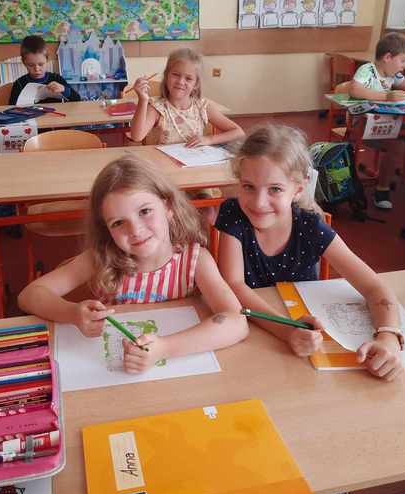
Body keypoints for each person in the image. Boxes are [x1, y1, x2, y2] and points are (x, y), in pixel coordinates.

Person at [215, 123, 405, 494]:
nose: (258, 202)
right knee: (240, 420)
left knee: (320, 419)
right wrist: (286, 332)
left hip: (307, 350)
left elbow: (376, 288)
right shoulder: (232, 215)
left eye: (275, 189)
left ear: (299, 187)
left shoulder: (310, 226)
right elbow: (234, 286)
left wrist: (389, 336)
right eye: (248, 187)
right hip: (263, 338)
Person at [18, 155, 248, 373]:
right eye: (118, 223)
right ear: (106, 229)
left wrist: (164, 348)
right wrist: (72, 313)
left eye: (145, 211)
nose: (135, 230)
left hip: (173, 368)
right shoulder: (100, 258)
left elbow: (237, 322)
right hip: (112, 369)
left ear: (168, 207)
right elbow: (29, 295)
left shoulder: (195, 261)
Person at [349, 32, 405, 209]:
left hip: (389, 121)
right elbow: (354, 90)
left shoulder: (393, 75)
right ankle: (381, 189)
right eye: (403, 61)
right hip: (364, 124)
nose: (404, 67)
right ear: (388, 57)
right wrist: (386, 96)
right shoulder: (368, 70)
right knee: (397, 145)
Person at [129, 48, 244, 147]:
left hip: (194, 163)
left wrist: (209, 139)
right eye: (175, 75)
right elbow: (136, 136)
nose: (180, 82)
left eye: (188, 78)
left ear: (196, 84)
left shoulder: (202, 107)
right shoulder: (157, 108)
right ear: (166, 76)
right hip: (163, 163)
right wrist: (143, 100)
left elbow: (238, 132)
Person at [9, 35, 80, 106]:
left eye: (41, 64)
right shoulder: (19, 84)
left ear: (47, 60)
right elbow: (11, 107)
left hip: (57, 113)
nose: (37, 69)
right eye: (31, 65)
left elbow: (77, 99)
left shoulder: (56, 78)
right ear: (24, 62)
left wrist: (64, 89)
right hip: (30, 113)